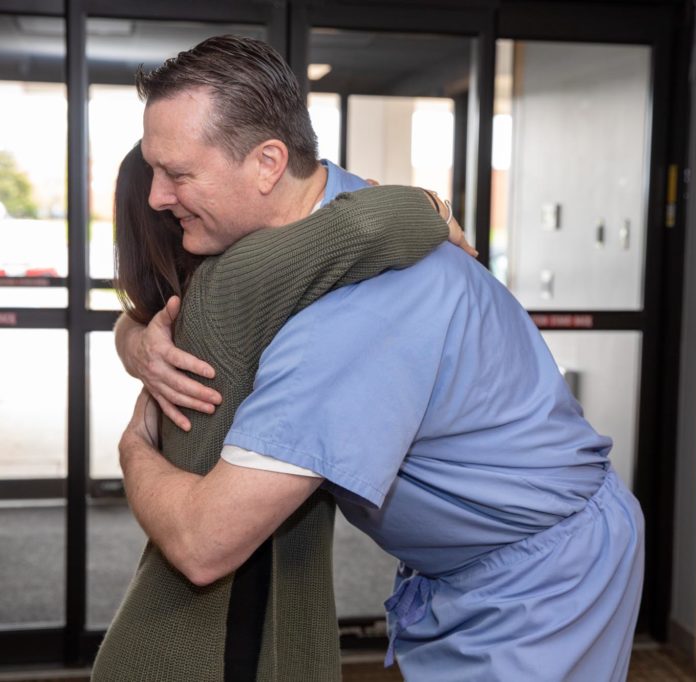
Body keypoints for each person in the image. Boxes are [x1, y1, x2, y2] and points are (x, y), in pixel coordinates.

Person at [114, 35, 644, 682]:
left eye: (178, 175)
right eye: (153, 170)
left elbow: (204, 543)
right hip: (460, 562)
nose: (156, 198)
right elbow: (190, 307)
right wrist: (136, 340)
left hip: (544, 575)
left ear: (267, 163)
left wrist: (133, 451)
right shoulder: (331, 208)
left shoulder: (353, 315)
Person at [97, 149, 470, 680]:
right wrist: (432, 204)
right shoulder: (234, 285)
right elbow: (372, 224)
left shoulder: (177, 313)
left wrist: (128, 336)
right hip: (216, 647)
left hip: (194, 635)